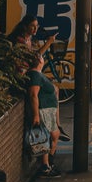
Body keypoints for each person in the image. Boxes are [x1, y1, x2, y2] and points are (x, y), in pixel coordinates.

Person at [23, 47, 59, 175]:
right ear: (39, 60)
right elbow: (34, 95)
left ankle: (48, 163)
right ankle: (46, 165)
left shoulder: (37, 74)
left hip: (47, 111)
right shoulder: (34, 75)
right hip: (44, 111)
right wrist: (36, 115)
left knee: (52, 135)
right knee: (48, 136)